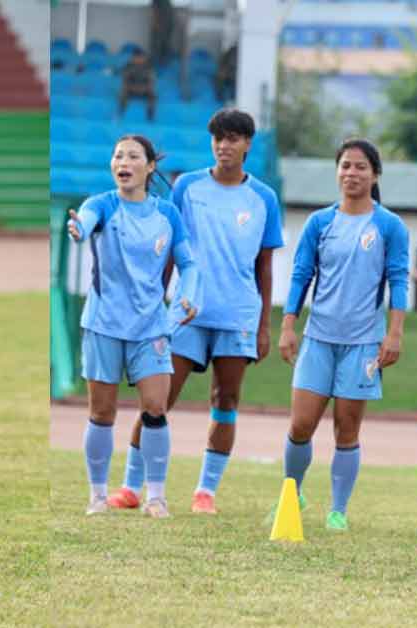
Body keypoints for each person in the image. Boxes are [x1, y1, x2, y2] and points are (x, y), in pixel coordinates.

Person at [106, 108, 283, 515]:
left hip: (237, 314)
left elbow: (265, 266)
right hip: (185, 312)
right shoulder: (187, 187)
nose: (224, 146)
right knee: (158, 398)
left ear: (247, 145)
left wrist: (263, 327)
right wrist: (156, 304)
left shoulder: (264, 199)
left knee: (226, 400)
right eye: (218, 138)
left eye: (233, 138)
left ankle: (205, 491)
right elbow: (169, 248)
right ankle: (132, 485)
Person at [275, 139, 409, 531]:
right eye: (345, 166)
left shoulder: (388, 225)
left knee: (346, 429)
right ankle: (291, 494)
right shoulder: (320, 222)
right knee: (300, 425)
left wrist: (395, 333)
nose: (351, 173)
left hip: (364, 343)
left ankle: (338, 510)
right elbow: (302, 274)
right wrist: (287, 325)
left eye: (360, 167)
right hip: (318, 338)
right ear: (337, 172)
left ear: (375, 174)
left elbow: (399, 279)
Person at [68, 135, 199, 519]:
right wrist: (78, 229)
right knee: (101, 413)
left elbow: (188, 264)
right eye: (117, 155)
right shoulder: (102, 205)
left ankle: (155, 497)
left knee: (155, 408)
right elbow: (85, 221)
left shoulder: (167, 215)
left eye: (132, 156)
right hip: (104, 324)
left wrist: (186, 297)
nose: (122, 161)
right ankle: (97, 495)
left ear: (149, 166)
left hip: (152, 326)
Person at [119, 50, 157, 122]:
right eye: (137, 57)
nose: (139, 60)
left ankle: (150, 116)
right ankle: (121, 113)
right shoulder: (128, 66)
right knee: (123, 92)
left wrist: (144, 88)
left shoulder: (149, 67)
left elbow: (151, 82)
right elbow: (125, 81)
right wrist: (133, 88)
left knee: (152, 95)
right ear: (133, 58)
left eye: (141, 57)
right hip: (131, 88)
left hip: (144, 89)